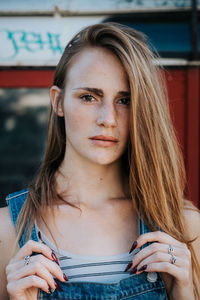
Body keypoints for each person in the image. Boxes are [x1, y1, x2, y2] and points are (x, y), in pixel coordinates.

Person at [0, 22, 199, 300]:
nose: (107, 119)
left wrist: (185, 293)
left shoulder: (183, 227)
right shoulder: (8, 231)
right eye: (89, 97)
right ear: (58, 102)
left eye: (125, 100)